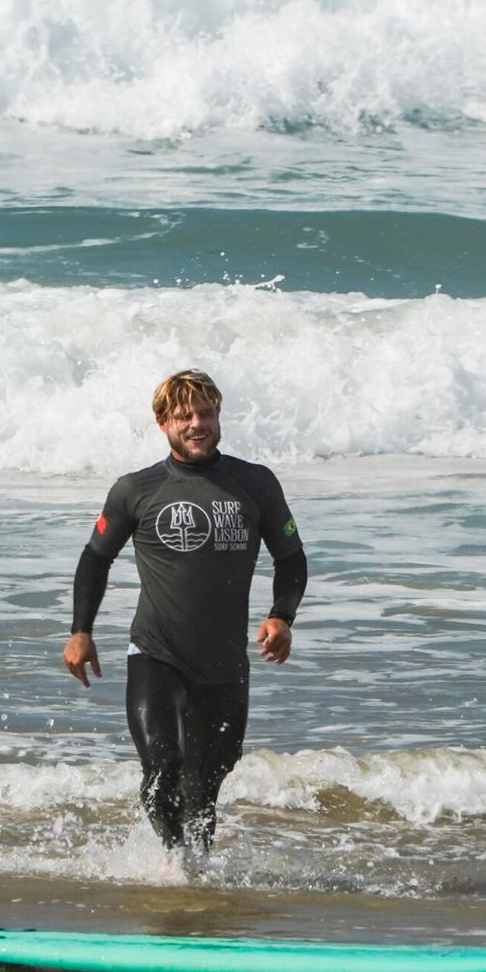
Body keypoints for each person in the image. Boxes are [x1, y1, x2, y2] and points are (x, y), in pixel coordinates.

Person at [62, 369, 307, 861]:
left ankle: (195, 875)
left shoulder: (254, 483)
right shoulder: (136, 489)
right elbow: (95, 558)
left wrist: (282, 617)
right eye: (185, 416)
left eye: (207, 413)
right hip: (157, 654)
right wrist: (81, 632)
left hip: (224, 666)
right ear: (162, 423)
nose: (198, 424)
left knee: (205, 790)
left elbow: (291, 557)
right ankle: (173, 864)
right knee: (162, 768)